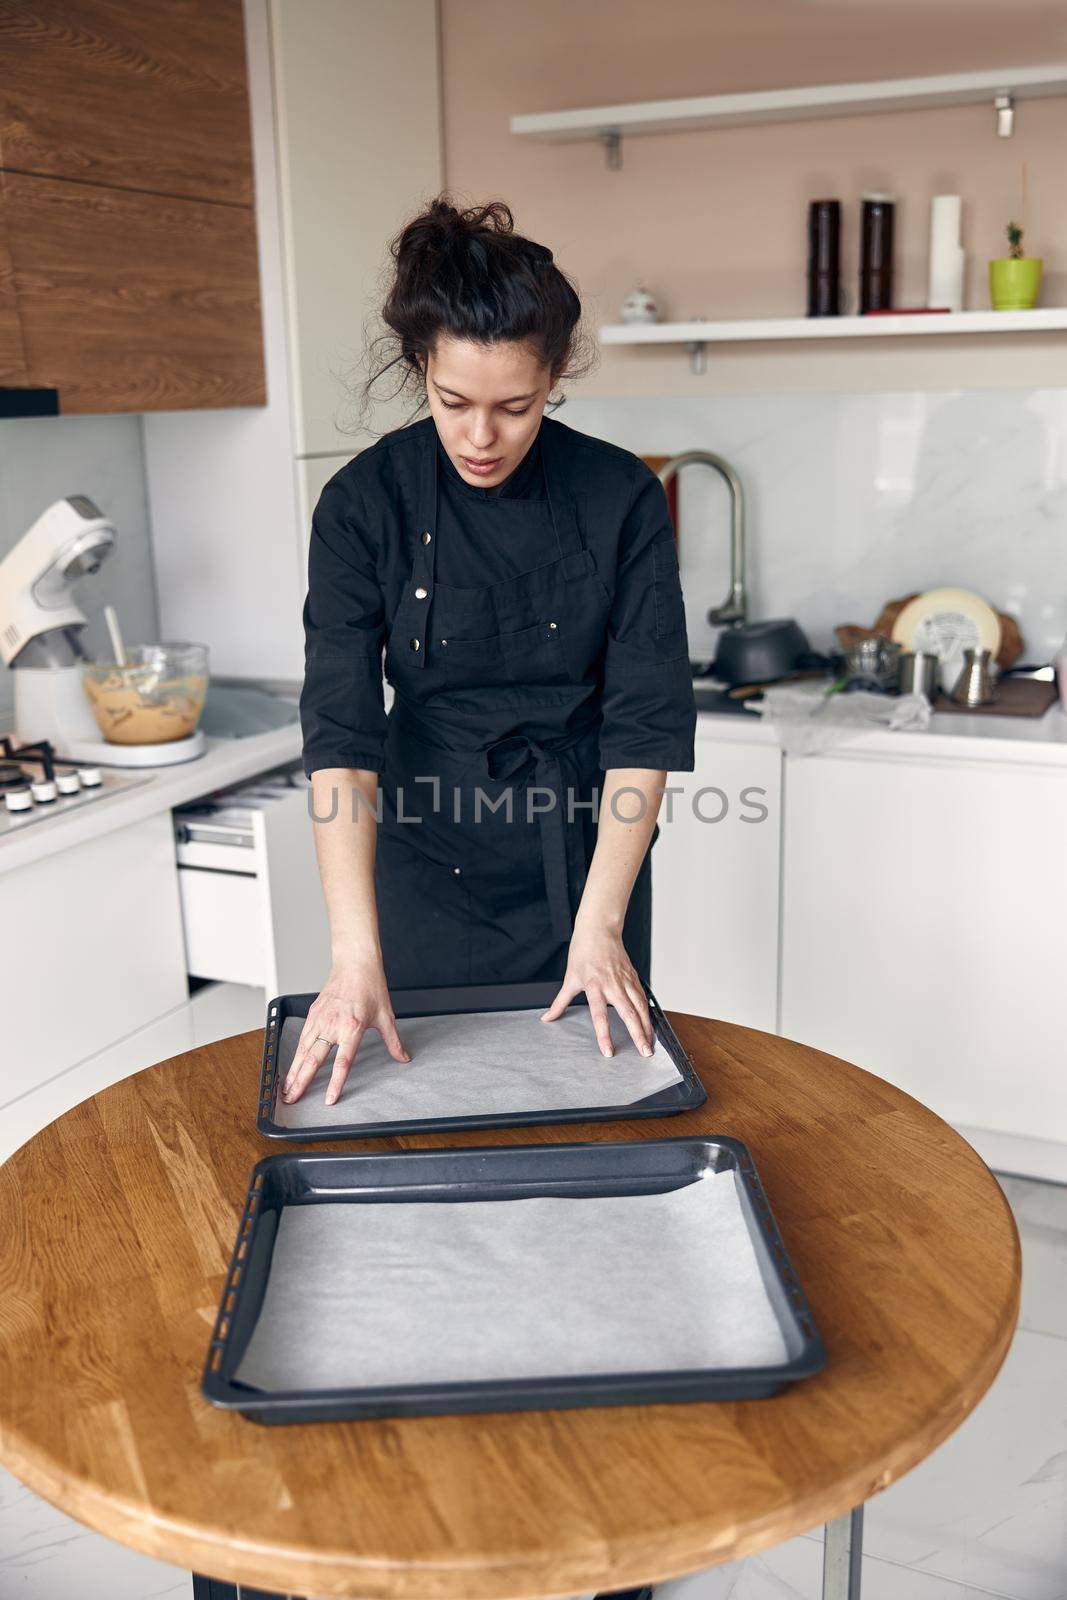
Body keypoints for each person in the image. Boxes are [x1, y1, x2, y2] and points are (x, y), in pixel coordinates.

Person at [285, 196, 696, 1106]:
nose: (481, 437)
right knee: (430, 1105)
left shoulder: (619, 495)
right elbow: (343, 739)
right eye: (452, 402)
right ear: (418, 367)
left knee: (606, 1101)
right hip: (426, 858)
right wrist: (353, 957)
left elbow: (644, 725)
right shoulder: (364, 506)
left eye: (515, 407)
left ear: (555, 377)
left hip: (590, 855)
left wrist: (601, 925)